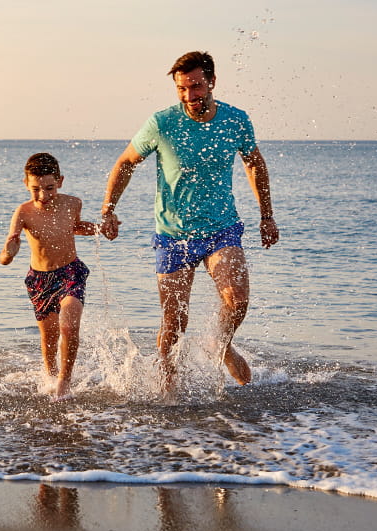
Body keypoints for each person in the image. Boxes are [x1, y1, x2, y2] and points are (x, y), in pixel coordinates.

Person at [99, 51, 279, 393]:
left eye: (195, 87)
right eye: (181, 89)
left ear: (212, 82)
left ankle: (220, 345)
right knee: (174, 322)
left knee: (237, 299)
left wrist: (266, 215)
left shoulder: (235, 120)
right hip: (173, 235)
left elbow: (254, 163)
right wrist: (108, 209)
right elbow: (125, 162)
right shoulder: (162, 123)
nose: (189, 96)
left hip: (221, 229)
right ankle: (167, 384)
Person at [0, 153, 99, 401]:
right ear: (26, 184)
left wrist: (100, 228)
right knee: (50, 335)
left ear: (60, 181)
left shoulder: (73, 203)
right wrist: (9, 253)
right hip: (40, 279)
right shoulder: (23, 212)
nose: (43, 195)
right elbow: (7, 251)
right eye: (36, 189)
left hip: (70, 272)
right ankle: (50, 376)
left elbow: (74, 227)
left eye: (49, 188)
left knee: (69, 324)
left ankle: (64, 384)